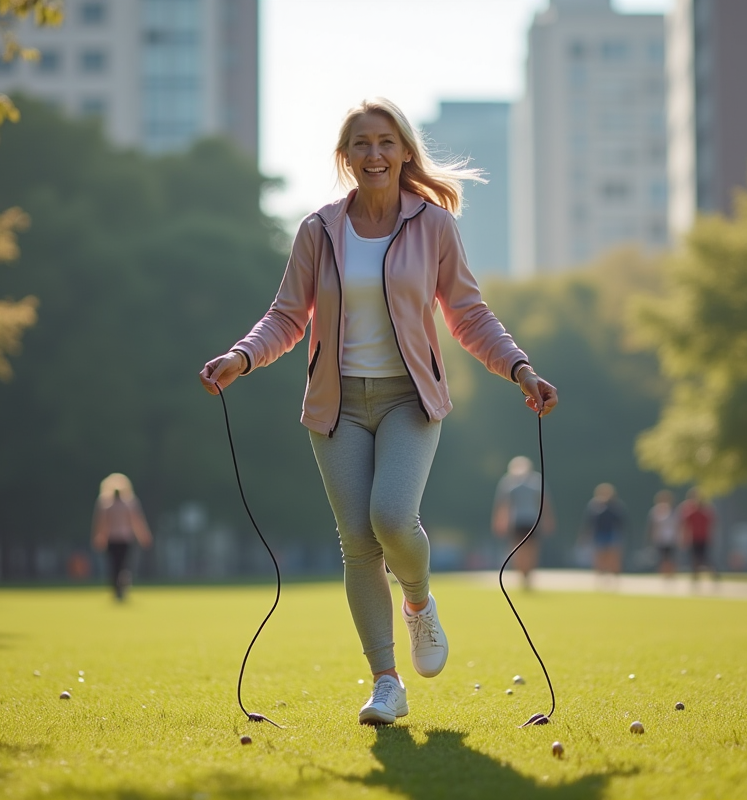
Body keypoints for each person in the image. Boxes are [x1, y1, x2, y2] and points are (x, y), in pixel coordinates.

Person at [198, 98, 558, 726]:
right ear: (346, 157)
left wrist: (519, 367)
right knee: (359, 545)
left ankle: (417, 602)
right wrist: (242, 356)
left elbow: (468, 315)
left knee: (392, 517)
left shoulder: (434, 226)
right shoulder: (318, 230)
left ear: (404, 152)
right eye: (361, 144)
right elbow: (288, 316)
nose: (374, 154)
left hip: (408, 398)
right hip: (336, 405)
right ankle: (386, 682)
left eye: (386, 142)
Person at [491, 456, 556, 590]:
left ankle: (525, 575)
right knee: (525, 550)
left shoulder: (512, 481)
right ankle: (524, 575)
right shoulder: (532, 481)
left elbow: (543, 502)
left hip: (527, 521)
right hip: (523, 521)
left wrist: (499, 521)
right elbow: (503, 504)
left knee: (525, 550)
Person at [91, 473, 153, 601]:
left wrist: (99, 537)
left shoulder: (106, 504)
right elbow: (137, 522)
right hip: (123, 539)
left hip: (114, 539)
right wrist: (143, 536)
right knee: (123, 565)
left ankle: (117, 588)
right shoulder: (128, 503)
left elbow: (101, 523)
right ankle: (122, 586)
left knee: (115, 565)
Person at [678, 488, 718, 583]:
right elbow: (685, 525)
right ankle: (695, 577)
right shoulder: (690, 511)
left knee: (704, 558)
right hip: (694, 538)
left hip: (703, 538)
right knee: (694, 559)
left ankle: (713, 574)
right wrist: (683, 538)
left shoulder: (706, 511)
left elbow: (712, 525)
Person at [585, 483, 625, 578]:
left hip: (612, 534)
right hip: (599, 534)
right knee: (599, 557)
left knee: (612, 557)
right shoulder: (594, 506)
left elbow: (621, 522)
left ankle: (614, 576)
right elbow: (589, 522)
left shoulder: (615, 506)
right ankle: (600, 576)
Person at [646, 490, 679, 577]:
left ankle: (671, 575)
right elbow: (652, 525)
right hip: (660, 538)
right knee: (662, 558)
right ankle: (663, 575)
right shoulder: (655, 511)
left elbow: (677, 525)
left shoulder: (674, 511)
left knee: (671, 558)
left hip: (671, 538)